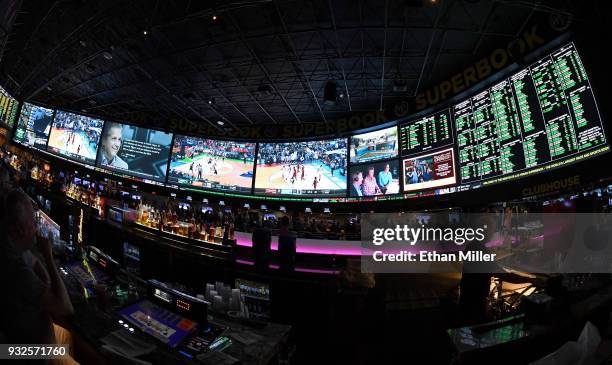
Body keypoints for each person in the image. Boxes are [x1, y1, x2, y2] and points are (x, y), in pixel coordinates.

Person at [0, 189, 78, 364]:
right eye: (33, 222)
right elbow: (65, 307)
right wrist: (49, 256)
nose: (36, 227)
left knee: (66, 337)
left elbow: (33, 261)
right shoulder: (15, 267)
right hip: (20, 351)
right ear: (20, 229)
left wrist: (46, 284)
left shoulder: (8, 243)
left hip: (14, 337)